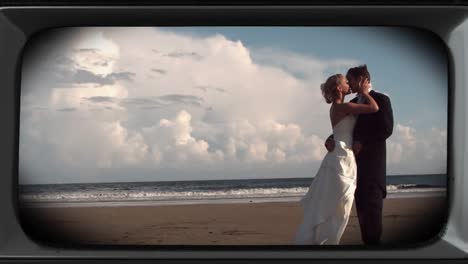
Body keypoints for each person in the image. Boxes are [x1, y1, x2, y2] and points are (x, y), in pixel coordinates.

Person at [294, 72, 378, 245]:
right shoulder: (343, 107)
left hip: (341, 154)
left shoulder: (338, 107)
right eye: (346, 82)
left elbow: (340, 131)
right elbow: (374, 108)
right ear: (340, 88)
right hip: (341, 156)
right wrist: (365, 92)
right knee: (339, 203)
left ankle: (327, 240)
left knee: (338, 202)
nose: (349, 84)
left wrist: (329, 139)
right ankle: (327, 241)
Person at [325, 65, 394, 245]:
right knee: (363, 221)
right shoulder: (354, 101)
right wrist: (331, 138)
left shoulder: (382, 99)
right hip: (353, 170)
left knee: (373, 224)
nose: (349, 84)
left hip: (372, 170)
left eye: (351, 80)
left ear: (362, 79)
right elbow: (345, 129)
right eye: (346, 81)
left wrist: (363, 142)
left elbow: (386, 129)